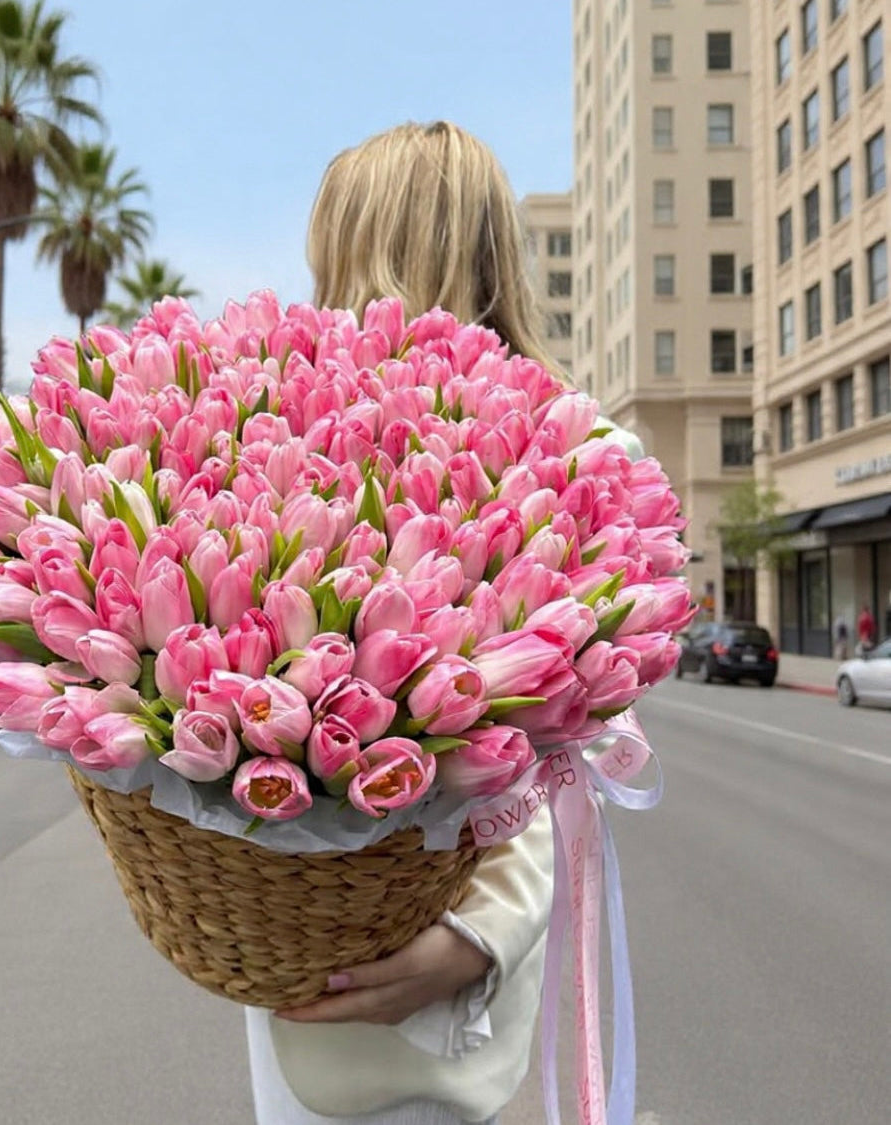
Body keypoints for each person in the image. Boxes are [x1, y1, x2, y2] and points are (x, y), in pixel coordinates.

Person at [242, 121, 567, 1125]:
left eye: (329, 255)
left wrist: (482, 935)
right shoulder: (285, 433)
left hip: (420, 955)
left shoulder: (546, 451)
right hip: (328, 946)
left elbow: (557, 747)